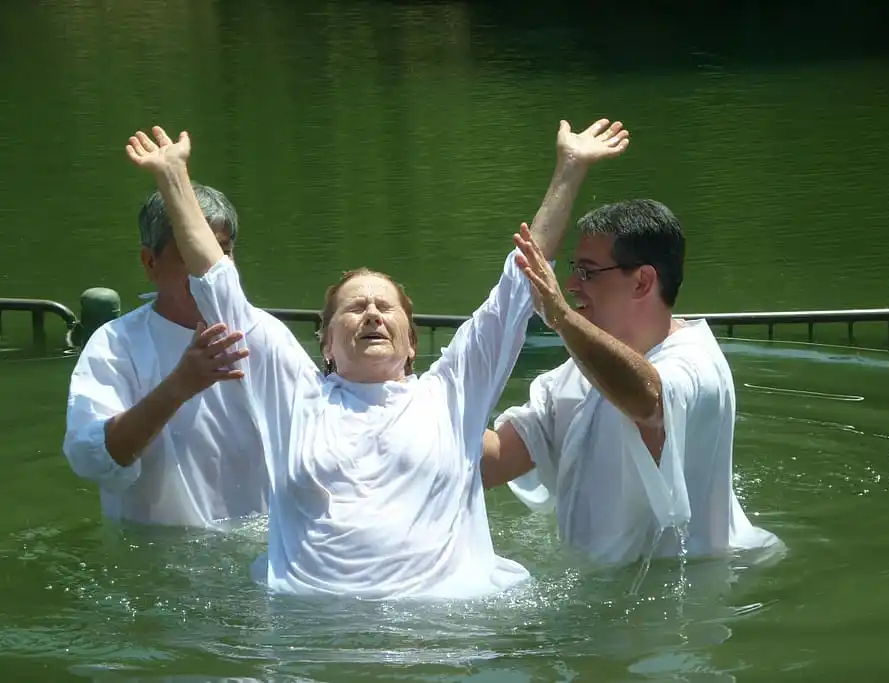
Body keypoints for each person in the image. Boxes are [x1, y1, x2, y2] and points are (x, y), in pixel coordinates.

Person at [124, 117, 630, 600]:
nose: (371, 314)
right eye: (354, 307)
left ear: (412, 344)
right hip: (307, 630)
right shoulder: (294, 397)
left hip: (442, 632)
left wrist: (570, 168)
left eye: (386, 307)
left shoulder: (450, 394)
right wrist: (174, 178)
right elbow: (218, 284)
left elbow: (520, 282)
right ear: (324, 345)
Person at [481, 198, 783, 566]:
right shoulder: (576, 374)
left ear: (642, 281)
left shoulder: (695, 364)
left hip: (679, 601)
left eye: (588, 272)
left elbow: (648, 402)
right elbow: (491, 461)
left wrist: (560, 317)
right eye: (575, 269)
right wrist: (408, 398)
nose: (572, 284)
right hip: (598, 592)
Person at [62, 184, 293, 528]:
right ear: (149, 261)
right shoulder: (115, 343)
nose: (206, 271)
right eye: (189, 255)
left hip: (259, 549)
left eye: (220, 254)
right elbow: (91, 458)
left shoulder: (265, 334)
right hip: (154, 552)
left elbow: (320, 440)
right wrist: (177, 388)